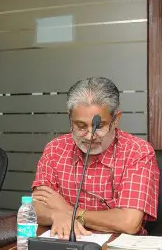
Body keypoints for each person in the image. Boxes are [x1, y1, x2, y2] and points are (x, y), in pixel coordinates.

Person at [32, 77, 159, 238]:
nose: (90, 136)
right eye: (80, 126)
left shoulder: (138, 151)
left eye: (99, 126)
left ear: (116, 119)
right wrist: (54, 215)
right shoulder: (55, 149)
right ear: (70, 118)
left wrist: (69, 212)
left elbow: (129, 222)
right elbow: (35, 207)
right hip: (64, 242)